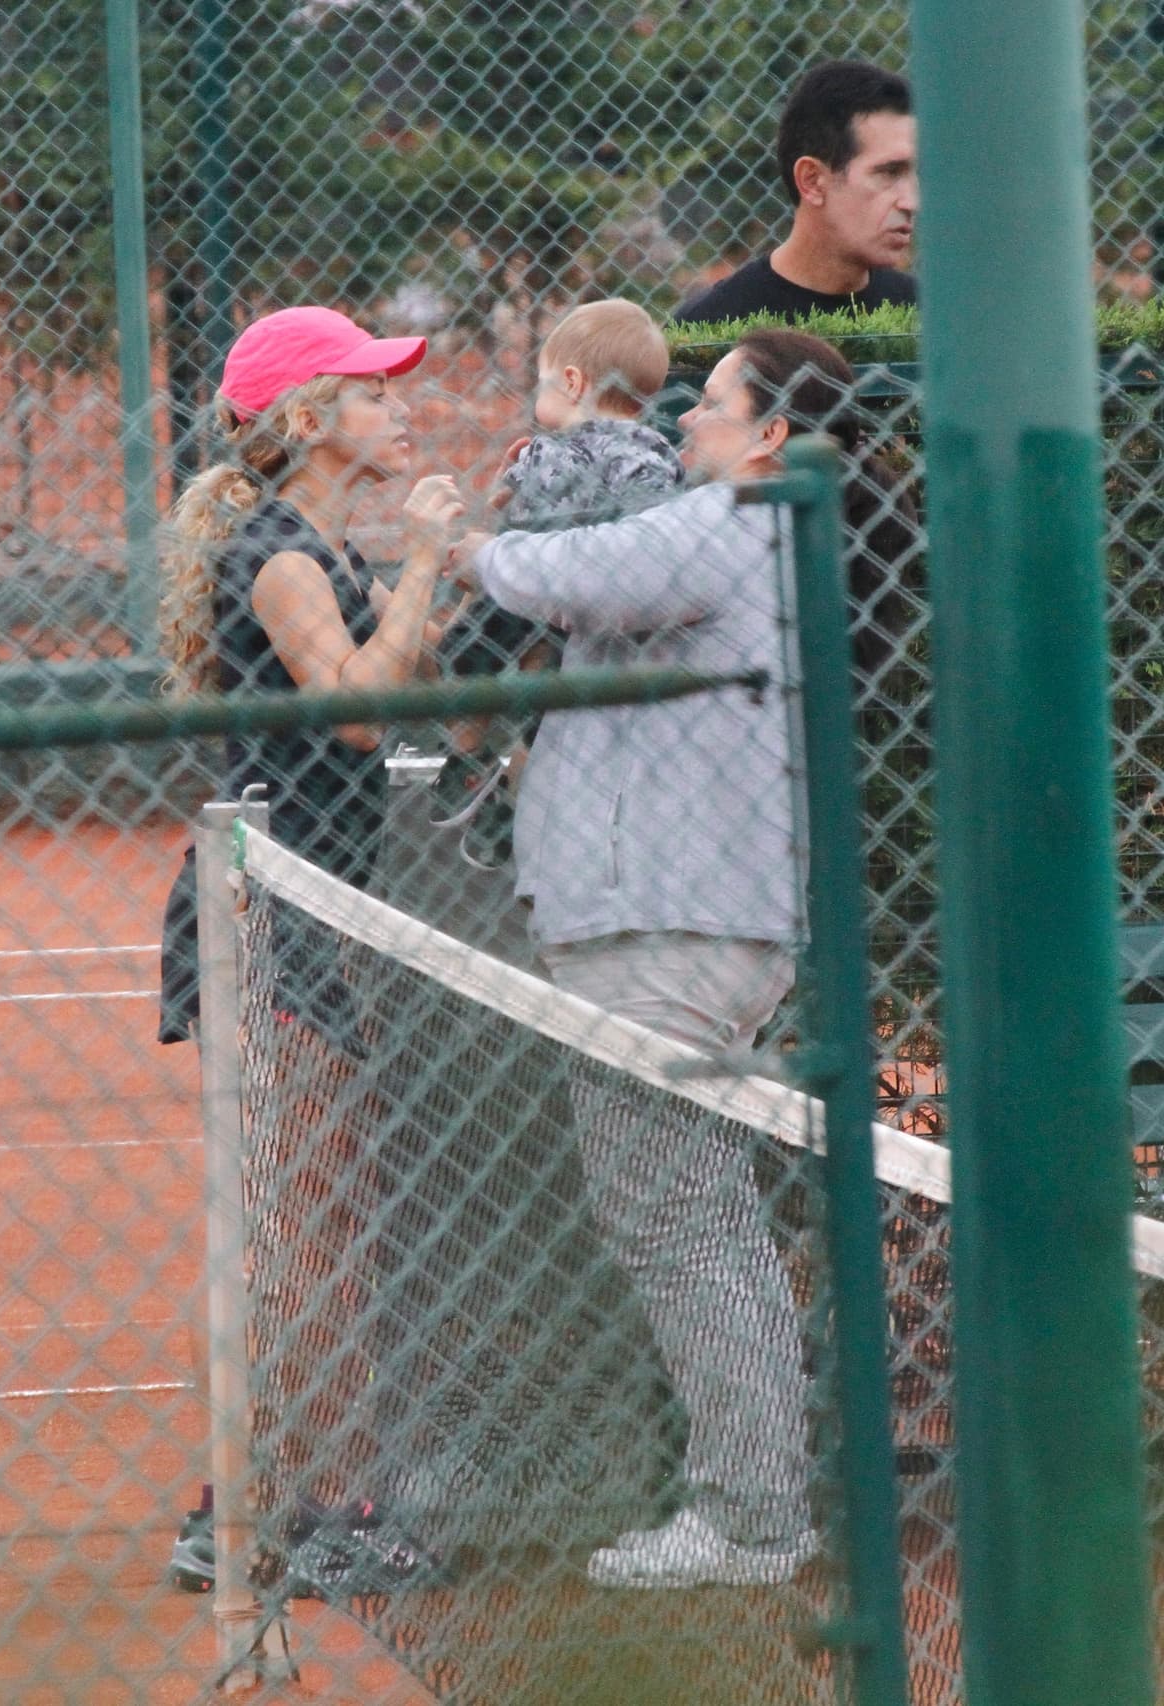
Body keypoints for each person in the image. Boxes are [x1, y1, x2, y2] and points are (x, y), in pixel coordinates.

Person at [452, 327, 915, 1590]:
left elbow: (581, 570)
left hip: (668, 925)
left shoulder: (734, 522)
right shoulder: (738, 528)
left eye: (706, 404)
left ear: (769, 434)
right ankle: (757, 1501)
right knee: (696, 1218)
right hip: (664, 916)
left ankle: (752, 1517)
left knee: (676, 1221)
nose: (680, 424)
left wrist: (459, 544)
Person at [156, 303, 463, 1594]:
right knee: (311, 1223)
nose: (401, 409)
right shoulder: (282, 554)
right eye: (375, 392)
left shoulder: (321, 544)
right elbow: (351, 712)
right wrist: (435, 560)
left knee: (325, 1221)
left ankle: (267, 1495)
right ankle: (294, 1503)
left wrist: (430, 580)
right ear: (310, 421)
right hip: (270, 917)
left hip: (320, 908)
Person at [429, 298, 684, 869]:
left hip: (543, 587)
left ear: (572, 381)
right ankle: (492, 778)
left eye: (542, 382)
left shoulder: (597, 449)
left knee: (469, 657)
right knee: (528, 682)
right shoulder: (632, 448)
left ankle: (472, 764)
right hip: (563, 589)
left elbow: (506, 508)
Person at [675, 60, 917, 324]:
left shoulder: (930, 320)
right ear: (812, 181)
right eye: (889, 173)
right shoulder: (712, 326)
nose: (912, 202)